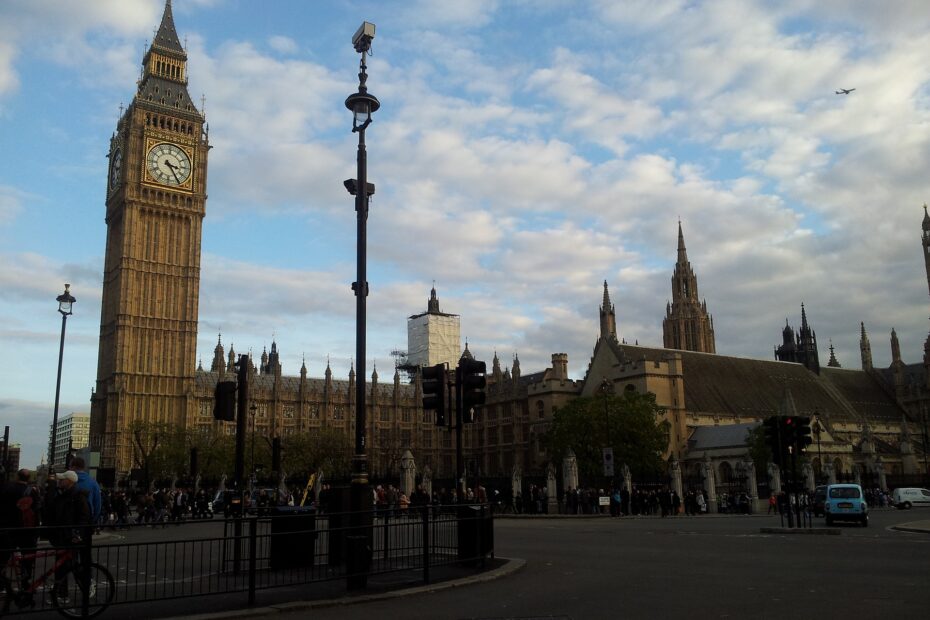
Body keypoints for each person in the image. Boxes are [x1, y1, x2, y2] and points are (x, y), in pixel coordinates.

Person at [44, 470, 92, 603]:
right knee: (65, 566)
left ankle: (66, 592)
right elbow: (50, 508)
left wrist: (78, 534)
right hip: (63, 535)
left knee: (67, 566)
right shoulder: (63, 494)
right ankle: (63, 592)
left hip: (69, 537)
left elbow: (84, 517)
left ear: (69, 481)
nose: (60, 481)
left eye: (62, 479)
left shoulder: (77, 496)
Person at [0, 469, 41, 591]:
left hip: (8, 528)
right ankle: (25, 582)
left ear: (17, 477)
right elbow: (37, 511)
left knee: (3, 557)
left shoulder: (7, 489)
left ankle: (2, 583)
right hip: (27, 530)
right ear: (28, 479)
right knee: (27, 557)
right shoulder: (33, 492)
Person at [69, 457, 101, 528]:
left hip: (69, 522)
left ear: (73, 467)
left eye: (69, 467)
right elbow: (97, 505)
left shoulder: (68, 482)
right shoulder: (93, 483)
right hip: (87, 521)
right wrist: (92, 521)